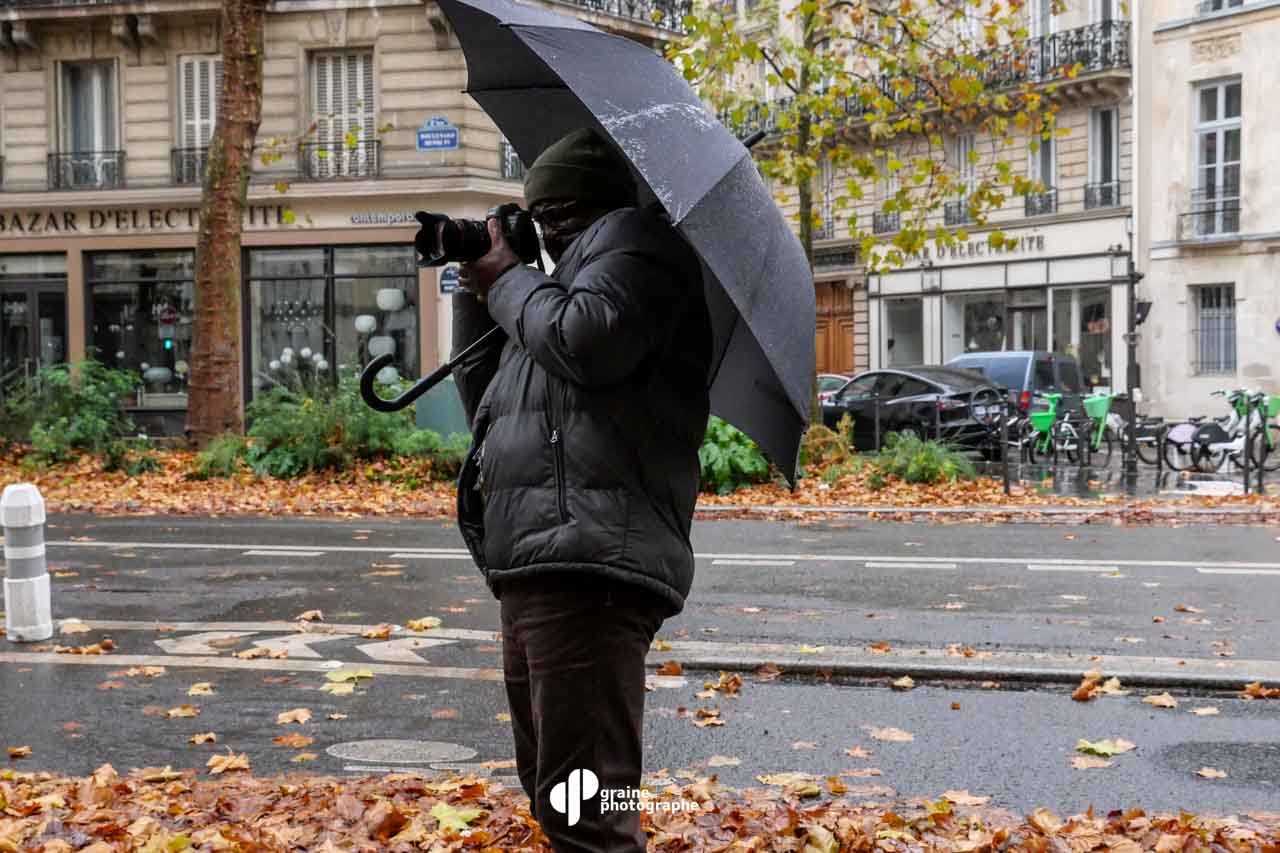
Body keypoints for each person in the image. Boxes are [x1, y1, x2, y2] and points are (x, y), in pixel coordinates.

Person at [450, 127, 712, 853]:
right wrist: (482, 286)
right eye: (541, 219)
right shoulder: (562, 283)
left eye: (560, 215)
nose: (552, 230)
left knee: (589, 809)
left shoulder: (636, 247)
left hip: (589, 561)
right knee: (558, 790)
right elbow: (486, 398)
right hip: (542, 560)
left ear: (591, 209)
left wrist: (511, 276)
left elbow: (584, 341)